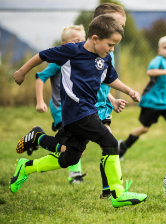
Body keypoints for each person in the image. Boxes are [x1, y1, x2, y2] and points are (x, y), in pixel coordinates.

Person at [11, 14, 147, 208]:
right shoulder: (71, 51)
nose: (112, 49)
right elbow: (42, 55)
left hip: (85, 112)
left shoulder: (104, 58)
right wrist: (22, 71)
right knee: (109, 142)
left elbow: (109, 79)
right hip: (76, 111)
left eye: (115, 46)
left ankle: (26, 167)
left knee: (70, 157)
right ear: (95, 38)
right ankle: (117, 192)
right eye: (110, 44)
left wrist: (129, 91)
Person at [118, 36, 166, 161]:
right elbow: (150, 72)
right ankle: (122, 146)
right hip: (152, 101)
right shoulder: (158, 60)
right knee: (144, 129)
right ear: (159, 50)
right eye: (165, 47)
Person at [34, 24, 87, 184]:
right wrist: (40, 101)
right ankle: (38, 138)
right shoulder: (60, 60)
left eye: (82, 40)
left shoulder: (82, 60)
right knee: (72, 146)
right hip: (60, 109)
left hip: (75, 110)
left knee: (76, 145)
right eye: (75, 40)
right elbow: (40, 77)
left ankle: (38, 138)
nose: (80, 43)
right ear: (64, 44)